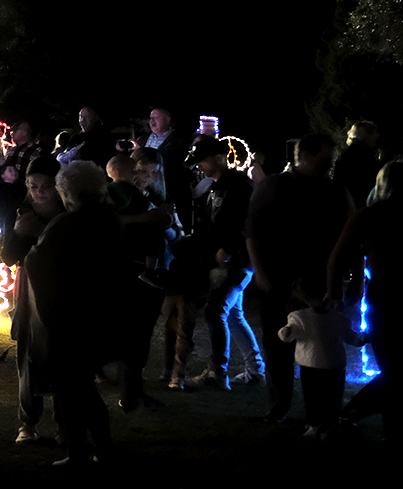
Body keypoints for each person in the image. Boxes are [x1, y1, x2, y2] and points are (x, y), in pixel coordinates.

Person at [246, 133, 355, 424]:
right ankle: (279, 403)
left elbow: (350, 234)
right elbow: (253, 233)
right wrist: (261, 272)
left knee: (317, 347)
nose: (330, 163)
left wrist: (343, 280)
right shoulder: (274, 187)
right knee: (276, 341)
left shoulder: (335, 191)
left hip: (318, 277)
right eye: (325, 157)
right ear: (304, 155)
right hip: (279, 276)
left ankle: (317, 411)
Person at [327, 160, 403, 445]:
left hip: (387, 301)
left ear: (382, 185)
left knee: (394, 369)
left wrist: (335, 294)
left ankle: (394, 432)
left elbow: (337, 259)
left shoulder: (369, 216)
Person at [25, 162, 123, 464]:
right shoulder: (110, 221)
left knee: (72, 387)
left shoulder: (66, 224)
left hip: (68, 317)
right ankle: (101, 447)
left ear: (66, 193)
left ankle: (79, 449)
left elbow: (36, 262)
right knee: (83, 385)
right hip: (101, 313)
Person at [177, 137, 255, 390]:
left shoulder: (239, 186)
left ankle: (217, 372)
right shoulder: (217, 186)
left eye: (203, 160)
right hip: (228, 260)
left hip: (236, 261)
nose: (200, 166)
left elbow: (246, 222)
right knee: (233, 314)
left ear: (219, 157)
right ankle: (255, 370)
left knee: (216, 311)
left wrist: (230, 249)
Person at [4, 155, 62, 440]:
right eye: (32, 185)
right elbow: (8, 255)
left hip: (63, 287)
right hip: (30, 288)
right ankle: (28, 422)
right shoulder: (20, 213)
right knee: (29, 352)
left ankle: (66, 422)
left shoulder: (67, 215)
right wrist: (17, 233)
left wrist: (41, 233)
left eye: (46, 186)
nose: (38, 192)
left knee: (64, 352)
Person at [105, 153, 169, 411]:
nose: (142, 176)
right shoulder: (129, 195)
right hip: (134, 271)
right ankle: (131, 394)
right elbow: (154, 220)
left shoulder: (113, 195)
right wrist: (146, 219)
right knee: (136, 334)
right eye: (139, 170)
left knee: (137, 335)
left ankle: (133, 391)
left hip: (131, 268)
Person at [276, 283, 355, 439]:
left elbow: (348, 336)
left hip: (332, 364)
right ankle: (315, 423)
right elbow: (288, 334)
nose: (327, 301)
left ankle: (329, 423)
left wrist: (359, 338)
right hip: (314, 365)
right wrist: (285, 332)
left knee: (331, 396)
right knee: (314, 397)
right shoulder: (300, 317)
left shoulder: (337, 318)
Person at [332, 121, 380, 208]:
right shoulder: (361, 155)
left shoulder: (349, 153)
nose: (377, 135)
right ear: (366, 136)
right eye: (374, 133)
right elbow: (369, 179)